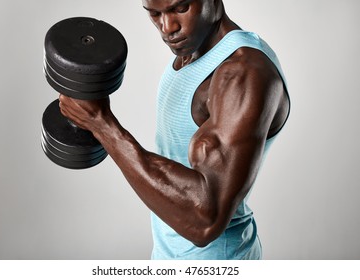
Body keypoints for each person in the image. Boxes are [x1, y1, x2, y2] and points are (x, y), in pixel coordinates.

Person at [59, 0, 290, 260]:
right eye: (155, 14)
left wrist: (102, 125)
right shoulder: (190, 53)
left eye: (180, 9)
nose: (168, 27)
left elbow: (205, 221)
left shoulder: (242, 74)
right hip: (169, 255)